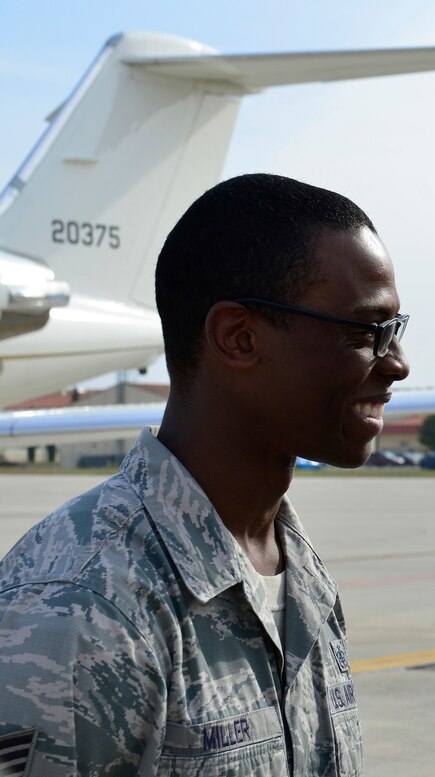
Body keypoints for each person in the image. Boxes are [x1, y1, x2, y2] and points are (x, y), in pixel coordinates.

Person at [0, 173, 409, 775]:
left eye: (395, 330)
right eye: (365, 331)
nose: (397, 364)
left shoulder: (295, 570)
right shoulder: (82, 607)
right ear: (238, 338)